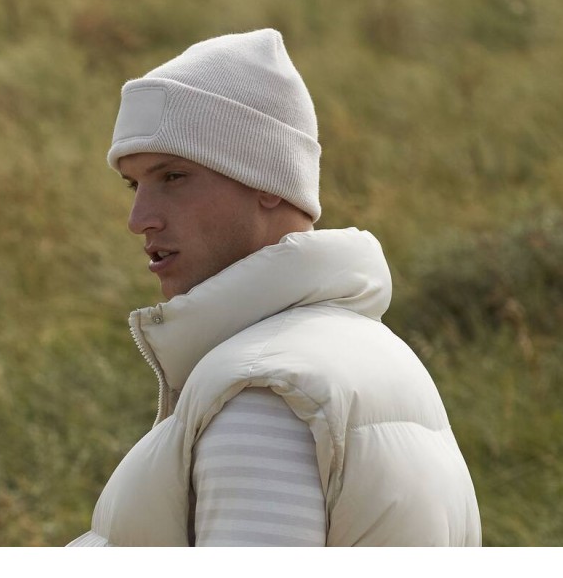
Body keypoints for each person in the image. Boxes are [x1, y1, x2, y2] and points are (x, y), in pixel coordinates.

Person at [68, 28, 481, 547]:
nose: (139, 219)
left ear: (267, 180)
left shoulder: (264, 394)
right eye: (134, 184)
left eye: (172, 176)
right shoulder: (371, 356)